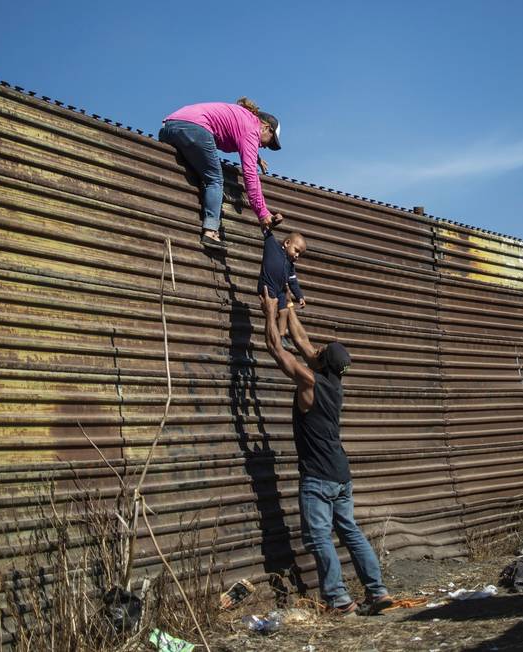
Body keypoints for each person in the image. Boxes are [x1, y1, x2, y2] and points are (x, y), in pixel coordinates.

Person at [259, 287, 394, 616]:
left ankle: (338, 600)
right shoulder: (333, 381)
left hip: (319, 477)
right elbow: (303, 342)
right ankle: (377, 592)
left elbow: (278, 349)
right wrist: (288, 305)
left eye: (320, 350)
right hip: (341, 476)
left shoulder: (310, 383)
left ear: (321, 363)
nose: (314, 348)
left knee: (319, 536)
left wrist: (268, 310)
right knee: (349, 530)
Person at [159, 98, 284, 251]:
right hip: (195, 128)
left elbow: (235, 133)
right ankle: (211, 231)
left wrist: (256, 157)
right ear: (265, 127)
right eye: (270, 142)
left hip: (170, 126)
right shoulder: (252, 129)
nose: (265, 147)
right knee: (215, 180)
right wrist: (262, 213)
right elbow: (250, 174)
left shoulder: (244, 118)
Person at [258, 225, 307, 346]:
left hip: (280, 290)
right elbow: (266, 229)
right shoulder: (272, 246)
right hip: (267, 286)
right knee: (272, 309)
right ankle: (272, 333)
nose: (297, 256)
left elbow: (293, 282)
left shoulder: (290, 266)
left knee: (284, 311)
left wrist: (299, 296)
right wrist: (273, 221)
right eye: (296, 250)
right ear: (287, 243)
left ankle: (281, 336)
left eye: (299, 254)